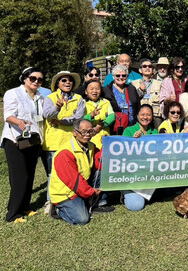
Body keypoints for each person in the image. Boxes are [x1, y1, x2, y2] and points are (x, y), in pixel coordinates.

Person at [49, 119, 113, 225]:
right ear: (75, 132)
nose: (88, 135)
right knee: (82, 219)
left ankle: (95, 204)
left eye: (90, 131)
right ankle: (57, 209)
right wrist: (91, 192)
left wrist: (105, 146)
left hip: (81, 186)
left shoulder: (91, 146)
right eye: (84, 132)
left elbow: (100, 163)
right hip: (66, 193)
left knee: (101, 173)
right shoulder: (65, 153)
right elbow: (74, 181)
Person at [2, 68, 45, 223]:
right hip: (15, 141)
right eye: (33, 78)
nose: (36, 81)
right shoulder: (13, 93)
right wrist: (18, 122)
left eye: (40, 79)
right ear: (25, 78)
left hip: (32, 141)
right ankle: (13, 214)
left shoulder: (40, 97)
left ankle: (25, 207)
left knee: (29, 176)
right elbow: (8, 115)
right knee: (19, 177)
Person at [43, 71, 85, 213]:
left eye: (70, 81)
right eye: (64, 80)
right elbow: (47, 114)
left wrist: (61, 121)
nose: (67, 83)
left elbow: (78, 118)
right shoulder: (50, 98)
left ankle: (72, 196)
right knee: (52, 173)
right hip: (54, 141)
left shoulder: (79, 98)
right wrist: (57, 108)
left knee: (73, 170)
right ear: (58, 84)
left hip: (72, 141)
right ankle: (50, 201)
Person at [121, 105, 159, 211]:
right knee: (136, 206)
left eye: (148, 115)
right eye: (142, 114)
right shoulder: (129, 131)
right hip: (132, 175)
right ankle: (124, 191)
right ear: (137, 116)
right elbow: (122, 154)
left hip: (148, 174)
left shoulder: (155, 132)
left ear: (152, 117)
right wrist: (132, 141)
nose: (145, 117)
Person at [102, 64, 140, 135]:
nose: (121, 77)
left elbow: (137, 105)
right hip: (115, 127)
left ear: (127, 77)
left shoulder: (131, 88)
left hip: (131, 126)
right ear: (113, 76)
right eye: (118, 75)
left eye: (123, 75)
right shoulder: (106, 90)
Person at [83, 80, 115, 150]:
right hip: (90, 138)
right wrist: (91, 115)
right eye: (91, 89)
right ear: (86, 91)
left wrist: (101, 125)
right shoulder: (82, 103)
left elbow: (112, 116)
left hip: (104, 137)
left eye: (97, 89)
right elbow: (80, 120)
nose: (94, 91)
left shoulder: (106, 102)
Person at [132, 58, 164, 127]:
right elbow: (133, 100)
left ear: (153, 70)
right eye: (144, 66)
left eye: (149, 66)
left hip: (156, 116)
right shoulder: (134, 83)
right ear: (140, 70)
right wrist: (140, 90)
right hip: (141, 117)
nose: (147, 68)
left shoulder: (159, 84)